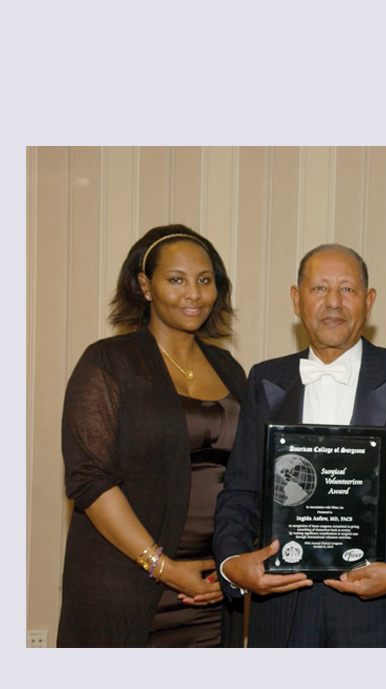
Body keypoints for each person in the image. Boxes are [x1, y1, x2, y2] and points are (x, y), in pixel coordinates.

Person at [212, 244, 386, 647]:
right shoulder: (264, 379)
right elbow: (240, 490)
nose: (334, 303)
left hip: (382, 617)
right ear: (296, 299)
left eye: (348, 290)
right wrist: (233, 563)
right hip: (284, 613)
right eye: (320, 288)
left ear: (369, 300)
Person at [59, 225, 246, 647]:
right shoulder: (108, 362)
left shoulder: (230, 368)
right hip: (126, 584)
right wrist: (161, 566)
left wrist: (233, 564)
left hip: (212, 589)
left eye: (205, 279)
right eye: (176, 279)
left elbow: (248, 471)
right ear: (145, 286)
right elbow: (89, 480)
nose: (193, 294)